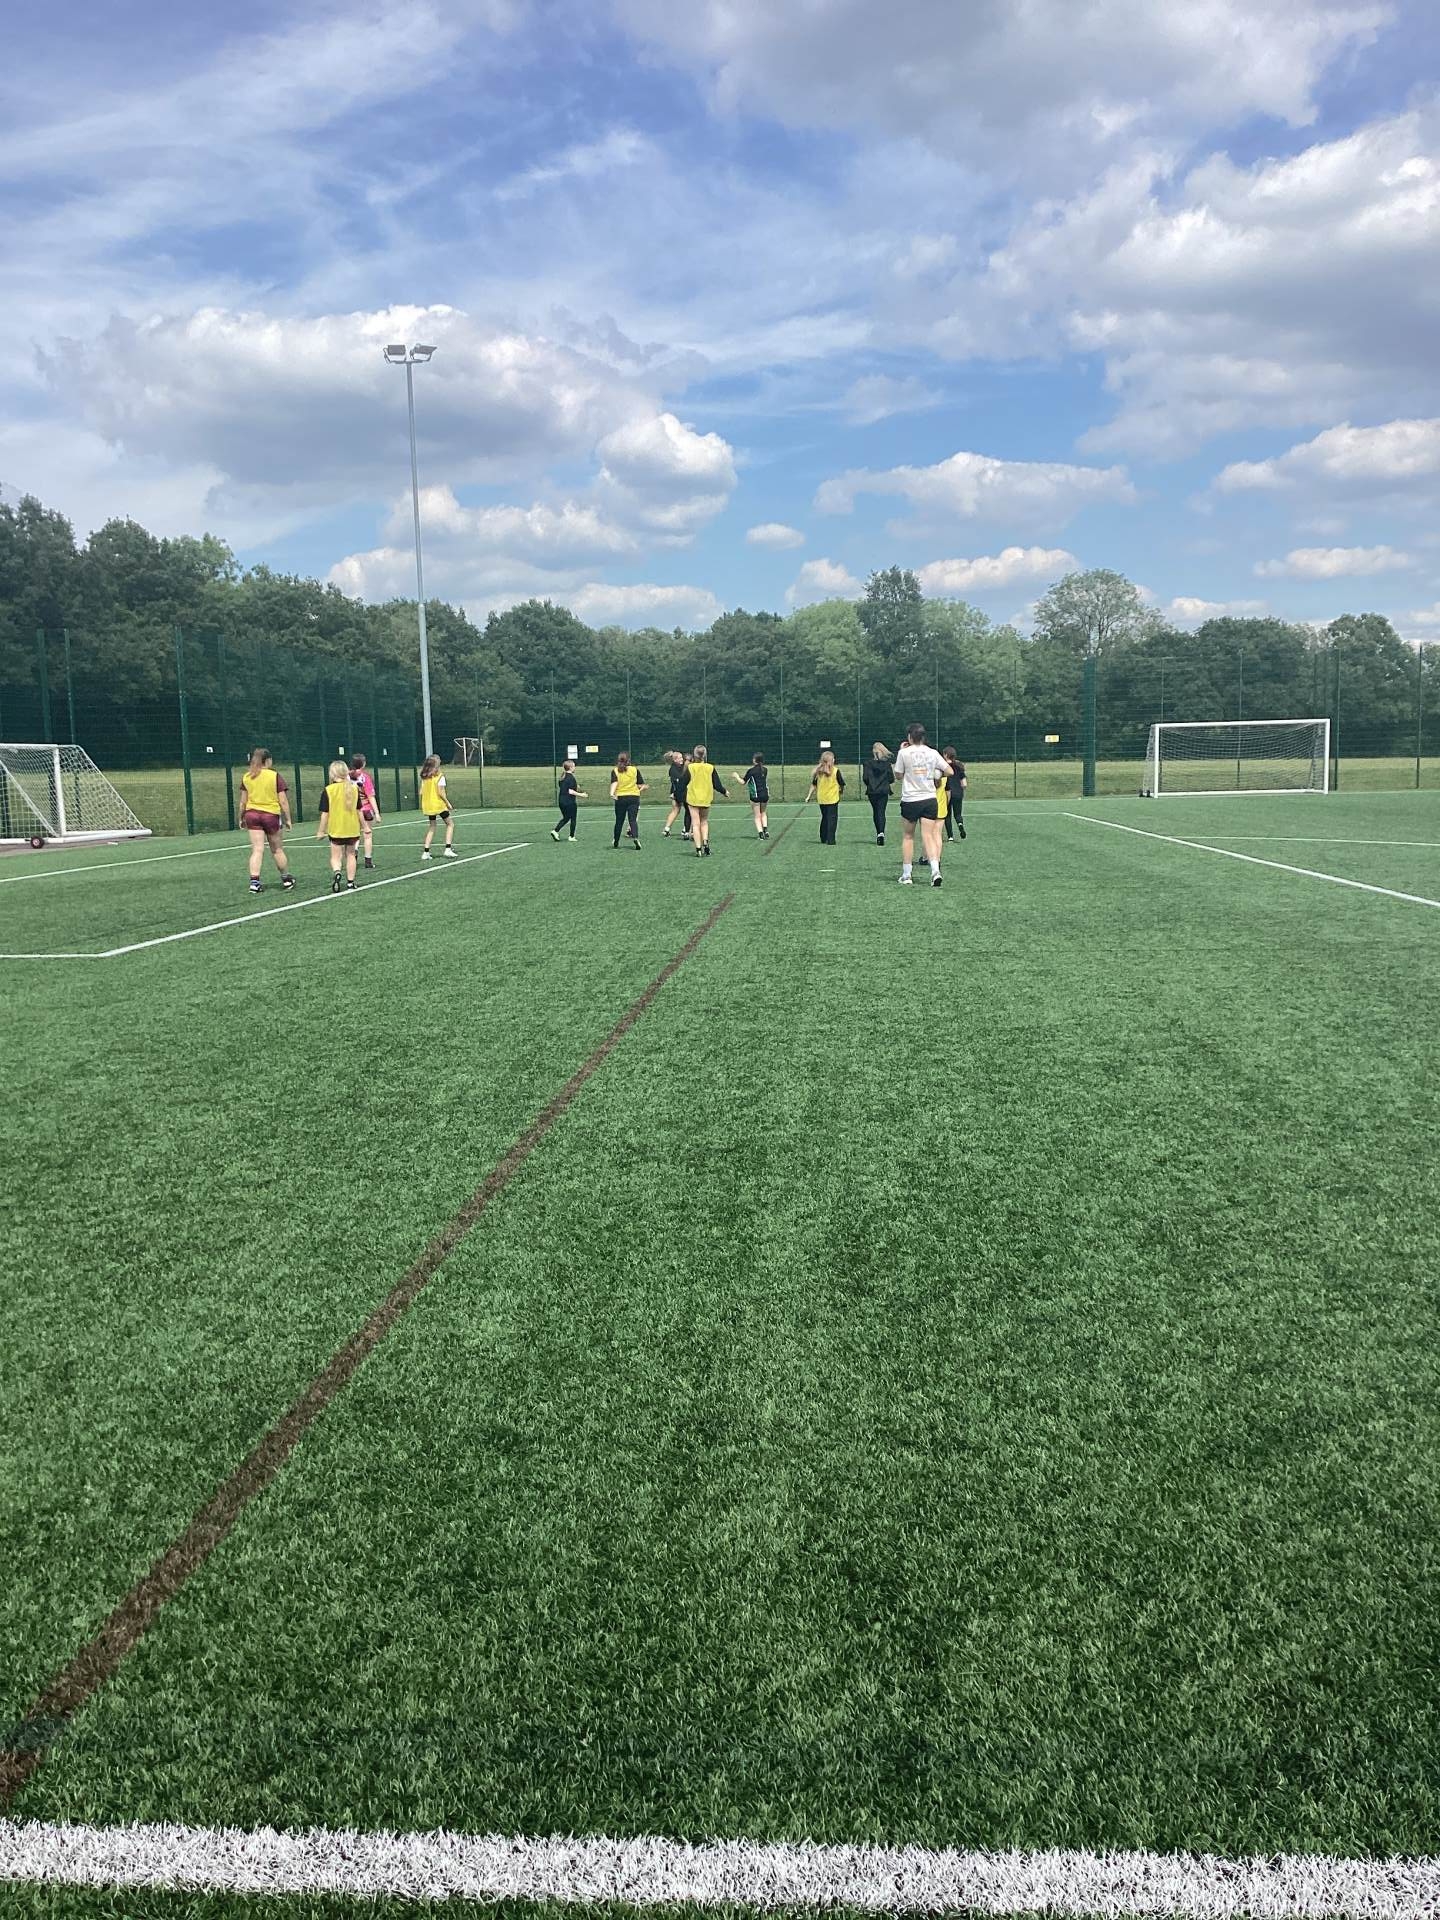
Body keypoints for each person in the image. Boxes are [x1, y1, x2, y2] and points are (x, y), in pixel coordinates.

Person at [892, 723, 950, 887]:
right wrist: (936, 774)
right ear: (923, 737)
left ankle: (907, 875)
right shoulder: (932, 752)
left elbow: (898, 775)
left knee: (908, 836)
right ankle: (935, 871)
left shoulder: (904, 753)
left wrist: (901, 753)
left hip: (910, 799)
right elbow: (949, 771)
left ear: (910, 737)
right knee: (928, 836)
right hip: (929, 799)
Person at [239, 747, 296, 895]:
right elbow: (283, 801)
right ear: (268, 760)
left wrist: (241, 817)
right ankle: (286, 879)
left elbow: (243, 802)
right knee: (277, 849)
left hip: (252, 814)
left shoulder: (247, 776)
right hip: (270, 815)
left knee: (257, 849)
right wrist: (288, 818)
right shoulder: (274, 776)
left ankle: (254, 883)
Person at [317, 759, 364, 892]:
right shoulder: (354, 788)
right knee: (351, 855)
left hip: (336, 829)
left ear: (332, 774)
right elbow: (359, 810)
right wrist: (365, 826)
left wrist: (321, 830)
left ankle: (337, 872)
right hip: (352, 829)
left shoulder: (328, 790)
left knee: (335, 857)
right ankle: (350, 882)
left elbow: (325, 814)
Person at [684, 744, 727, 856]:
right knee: (704, 821)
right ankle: (706, 843)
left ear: (694, 755)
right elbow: (717, 784)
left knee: (695, 824)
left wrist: (676, 793)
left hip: (693, 798)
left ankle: (698, 849)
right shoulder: (710, 767)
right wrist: (724, 792)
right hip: (705, 798)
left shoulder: (691, 767)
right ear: (705, 755)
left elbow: (683, 783)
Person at [419, 754, 456, 860]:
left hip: (429, 806)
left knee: (432, 826)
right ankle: (448, 849)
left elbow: (421, 792)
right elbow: (441, 792)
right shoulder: (440, 776)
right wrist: (448, 803)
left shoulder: (424, 777)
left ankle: (426, 852)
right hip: (439, 805)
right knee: (450, 824)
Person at [349, 753, 382, 869]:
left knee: (354, 834)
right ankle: (368, 860)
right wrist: (377, 813)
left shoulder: (346, 777)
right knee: (367, 835)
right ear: (363, 764)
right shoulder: (365, 777)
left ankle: (354, 854)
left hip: (351, 810)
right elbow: (370, 796)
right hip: (365, 809)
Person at [805, 750, 846, 844]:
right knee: (832, 819)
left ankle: (823, 838)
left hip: (822, 799)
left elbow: (814, 784)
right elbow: (841, 783)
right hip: (832, 798)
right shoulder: (835, 771)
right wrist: (841, 791)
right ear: (832, 760)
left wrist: (808, 796)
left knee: (824, 817)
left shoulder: (818, 772)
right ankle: (831, 839)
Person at [610, 751, 646, 849]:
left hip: (621, 797)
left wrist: (612, 793)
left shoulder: (615, 771)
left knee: (619, 821)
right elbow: (640, 784)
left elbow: (614, 783)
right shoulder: (634, 770)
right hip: (634, 797)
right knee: (632, 820)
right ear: (628, 760)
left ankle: (616, 840)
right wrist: (642, 788)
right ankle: (635, 837)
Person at [861, 742, 894, 846]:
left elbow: (865, 778)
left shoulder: (867, 764)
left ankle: (878, 832)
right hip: (883, 791)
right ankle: (881, 833)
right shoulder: (887, 764)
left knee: (876, 812)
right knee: (881, 811)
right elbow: (891, 779)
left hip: (872, 791)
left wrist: (871, 784)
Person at [732, 754, 770, 837]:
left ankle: (761, 834)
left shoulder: (751, 771)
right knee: (763, 812)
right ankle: (766, 831)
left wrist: (736, 776)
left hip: (755, 796)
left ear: (755, 760)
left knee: (757, 816)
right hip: (765, 794)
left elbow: (743, 782)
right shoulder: (765, 770)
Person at [552, 758, 587, 841]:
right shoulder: (571, 778)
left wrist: (576, 786)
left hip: (561, 801)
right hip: (569, 802)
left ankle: (555, 831)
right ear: (570, 767)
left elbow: (565, 787)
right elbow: (570, 791)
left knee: (566, 818)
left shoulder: (562, 778)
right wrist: (581, 794)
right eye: (574, 766)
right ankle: (571, 836)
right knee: (573, 818)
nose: (575, 768)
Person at [662, 751, 692, 839]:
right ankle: (669, 829)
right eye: (680, 758)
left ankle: (683, 828)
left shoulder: (682, 766)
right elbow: (679, 780)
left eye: (682, 757)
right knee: (680, 810)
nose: (682, 759)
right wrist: (673, 793)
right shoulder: (673, 769)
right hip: (678, 792)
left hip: (681, 791)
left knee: (681, 810)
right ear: (675, 760)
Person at [943, 747, 967, 840]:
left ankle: (950, 836)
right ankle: (960, 825)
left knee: (947, 814)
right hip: (958, 793)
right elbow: (964, 784)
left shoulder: (943, 766)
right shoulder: (959, 766)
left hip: (947, 793)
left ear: (945, 755)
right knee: (958, 814)